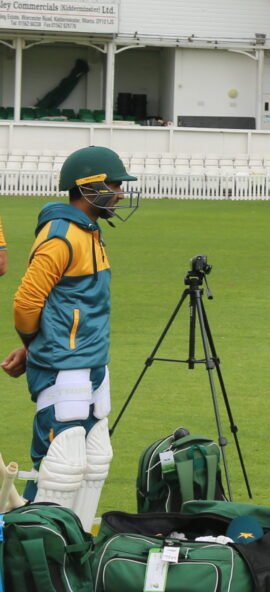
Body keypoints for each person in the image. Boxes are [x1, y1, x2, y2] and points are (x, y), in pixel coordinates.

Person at [2, 145, 140, 530]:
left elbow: (63, 309)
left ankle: (75, 547)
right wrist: (36, 349)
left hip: (94, 363)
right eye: (114, 184)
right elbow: (26, 302)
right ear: (89, 186)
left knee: (95, 459)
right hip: (65, 369)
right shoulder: (60, 236)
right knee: (62, 464)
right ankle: (40, 554)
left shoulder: (89, 233)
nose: (121, 193)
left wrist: (36, 346)